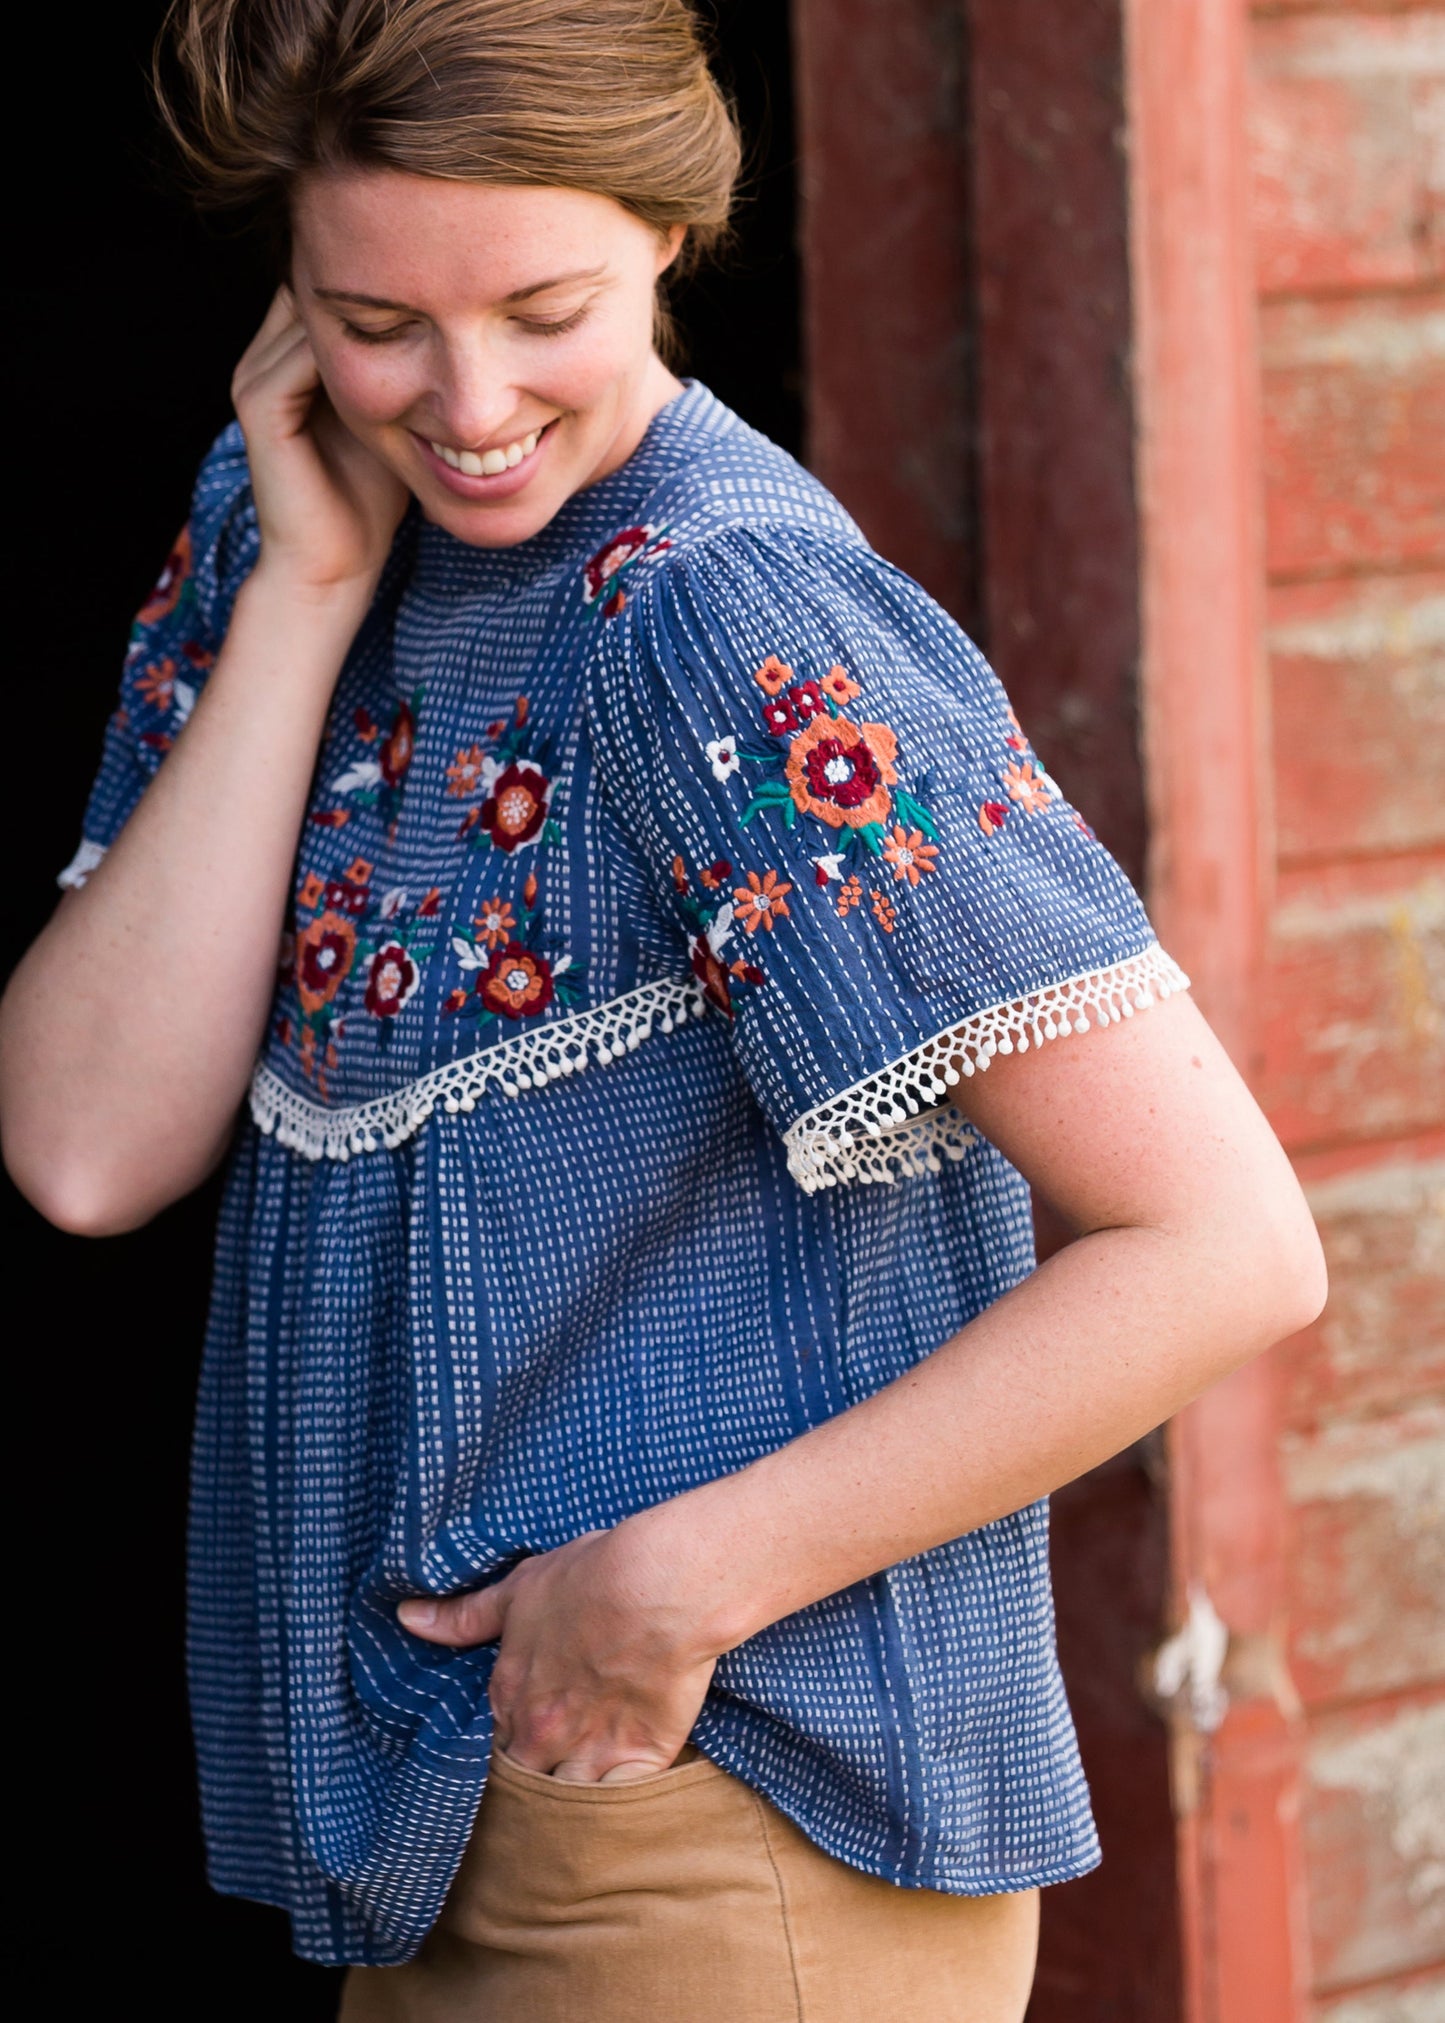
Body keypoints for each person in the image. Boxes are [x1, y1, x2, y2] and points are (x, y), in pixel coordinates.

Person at [0, 1, 1327, 2016]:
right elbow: (88, 1147)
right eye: (377, 321)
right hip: (449, 1827)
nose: (465, 403)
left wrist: (676, 1581)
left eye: (545, 306)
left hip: (713, 1820)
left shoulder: (718, 612)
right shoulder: (295, 515)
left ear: (670, 237)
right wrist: (299, 601)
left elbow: (1227, 1244)